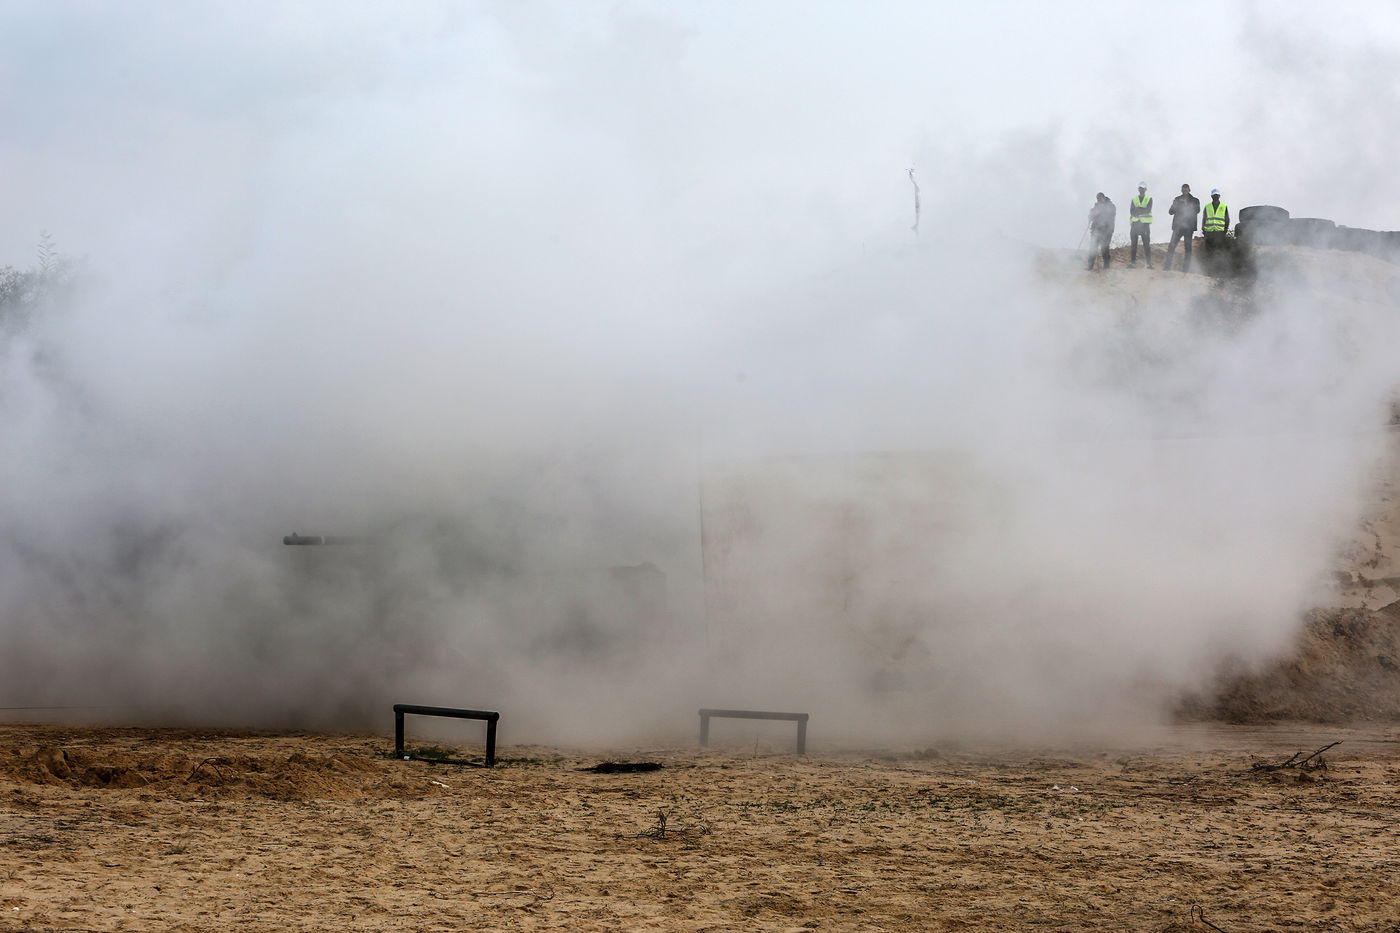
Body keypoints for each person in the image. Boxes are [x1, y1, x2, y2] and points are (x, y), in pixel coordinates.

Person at [1163, 183, 1200, 272]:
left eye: (1186, 189)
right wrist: (1178, 205)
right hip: (1178, 227)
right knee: (1172, 246)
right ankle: (1167, 267)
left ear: (1189, 190)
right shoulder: (1177, 199)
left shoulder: (1195, 200)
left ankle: (1185, 270)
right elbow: (1170, 211)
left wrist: (1187, 206)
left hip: (1189, 227)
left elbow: (1197, 210)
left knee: (1188, 248)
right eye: (1183, 189)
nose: (1185, 191)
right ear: (1181, 190)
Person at [1086, 192, 1115, 271]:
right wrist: (1091, 215)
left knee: (1104, 248)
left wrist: (1100, 212)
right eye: (1097, 199)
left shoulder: (1111, 205)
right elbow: (1092, 214)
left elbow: (1111, 214)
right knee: (1093, 247)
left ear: (1104, 197)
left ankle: (1106, 267)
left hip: (1107, 230)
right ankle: (1090, 266)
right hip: (1096, 229)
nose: (1099, 200)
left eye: (1100, 198)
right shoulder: (1096, 206)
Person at [1128, 182, 1153, 268]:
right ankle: (1133, 263)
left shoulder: (1149, 198)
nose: (1141, 189)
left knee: (1146, 244)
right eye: (1140, 188)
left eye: (1143, 188)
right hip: (1135, 224)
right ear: (1138, 189)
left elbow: (1148, 209)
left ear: (1145, 189)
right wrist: (1140, 210)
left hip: (1145, 224)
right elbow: (1131, 211)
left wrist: (1138, 210)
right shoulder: (1134, 199)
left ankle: (1149, 264)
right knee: (1133, 244)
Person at [1202, 188, 1230, 259]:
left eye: (1217, 195)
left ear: (1219, 196)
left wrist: (1225, 231)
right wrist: (1204, 230)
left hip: (1219, 233)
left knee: (1219, 251)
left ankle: (1217, 268)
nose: (1215, 196)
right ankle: (1210, 268)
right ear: (1211, 196)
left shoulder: (1224, 207)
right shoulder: (1207, 207)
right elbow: (1204, 219)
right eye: (1214, 195)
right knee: (1209, 252)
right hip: (1209, 232)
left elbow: (1227, 220)